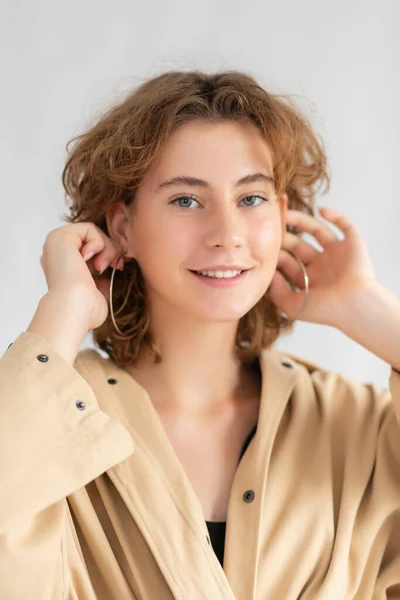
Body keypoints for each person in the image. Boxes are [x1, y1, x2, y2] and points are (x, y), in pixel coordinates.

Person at [1, 70, 400, 600]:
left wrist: (367, 308)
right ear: (123, 227)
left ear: (282, 217)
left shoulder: (357, 425)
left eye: (251, 199)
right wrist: (63, 311)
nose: (228, 235)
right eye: (186, 200)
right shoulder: (52, 424)